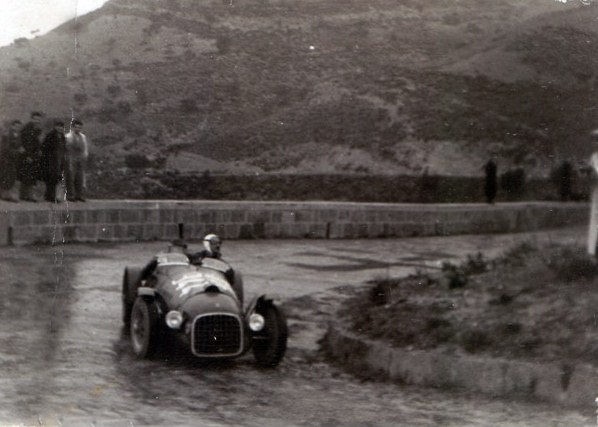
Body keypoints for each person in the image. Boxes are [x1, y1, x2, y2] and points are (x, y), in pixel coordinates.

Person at [18, 111, 44, 202]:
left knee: (31, 174)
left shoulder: (37, 129)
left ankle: (24, 195)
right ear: (31, 119)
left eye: (38, 119)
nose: (37, 121)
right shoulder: (27, 129)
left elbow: (37, 142)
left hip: (34, 155)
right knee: (28, 174)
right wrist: (28, 156)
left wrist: (39, 150)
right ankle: (28, 195)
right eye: (35, 119)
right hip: (27, 155)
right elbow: (26, 144)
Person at [40, 120, 66, 202]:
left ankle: (51, 196)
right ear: (55, 127)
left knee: (56, 178)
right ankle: (50, 196)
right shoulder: (50, 135)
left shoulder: (62, 136)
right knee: (51, 178)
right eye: (58, 126)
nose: (60, 128)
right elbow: (44, 147)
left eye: (61, 126)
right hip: (50, 160)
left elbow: (64, 148)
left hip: (59, 160)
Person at [65, 118, 89, 202]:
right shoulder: (68, 137)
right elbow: (66, 148)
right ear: (72, 127)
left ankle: (79, 195)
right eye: (76, 127)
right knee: (71, 177)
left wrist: (85, 156)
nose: (78, 129)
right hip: (71, 158)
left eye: (79, 128)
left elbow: (85, 148)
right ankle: (71, 195)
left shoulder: (83, 137)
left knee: (80, 177)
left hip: (80, 159)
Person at [0, 120, 23, 202]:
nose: (17, 128)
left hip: (13, 159)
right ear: (12, 126)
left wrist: (20, 149)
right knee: (6, 176)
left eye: (19, 126)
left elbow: (18, 145)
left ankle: (7, 194)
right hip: (6, 159)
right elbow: (5, 148)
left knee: (11, 176)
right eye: (16, 126)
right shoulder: (7, 135)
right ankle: (4, 194)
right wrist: (18, 151)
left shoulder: (18, 135)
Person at [588, 130, 598, 256]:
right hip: (597, 190)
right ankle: (594, 249)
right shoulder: (594, 157)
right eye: (594, 140)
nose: (595, 143)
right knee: (596, 218)